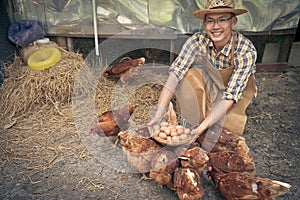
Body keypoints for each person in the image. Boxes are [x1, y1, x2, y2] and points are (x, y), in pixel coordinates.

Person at [148, 0, 257, 136]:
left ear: (233, 22)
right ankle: (196, 118)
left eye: (222, 20)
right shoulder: (198, 41)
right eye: (210, 21)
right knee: (189, 75)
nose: (216, 26)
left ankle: (205, 122)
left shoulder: (245, 50)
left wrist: (200, 129)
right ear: (204, 24)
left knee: (224, 132)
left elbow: (231, 96)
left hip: (234, 96)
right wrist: (158, 115)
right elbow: (174, 76)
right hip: (211, 86)